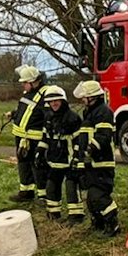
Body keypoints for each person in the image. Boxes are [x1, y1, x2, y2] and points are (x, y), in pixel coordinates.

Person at [72, 80, 121, 236]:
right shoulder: (90, 112)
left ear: (92, 97)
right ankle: (99, 222)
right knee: (91, 199)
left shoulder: (103, 112)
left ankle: (113, 223)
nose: (82, 100)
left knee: (98, 196)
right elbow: (83, 137)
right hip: (90, 163)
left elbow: (103, 136)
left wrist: (90, 149)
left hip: (102, 163)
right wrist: (78, 156)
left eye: (84, 98)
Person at [5, 65, 55, 206]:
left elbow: (48, 117)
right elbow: (26, 110)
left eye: (25, 82)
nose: (23, 85)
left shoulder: (46, 94)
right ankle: (26, 191)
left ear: (34, 82)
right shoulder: (28, 93)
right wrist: (14, 114)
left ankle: (43, 195)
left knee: (38, 165)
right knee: (23, 164)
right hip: (22, 137)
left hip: (35, 138)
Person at [40, 85, 82, 222]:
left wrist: (76, 158)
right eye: (51, 102)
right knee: (51, 187)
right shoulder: (49, 117)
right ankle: (53, 215)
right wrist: (39, 152)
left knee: (71, 188)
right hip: (54, 160)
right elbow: (45, 137)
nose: (53, 104)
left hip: (69, 160)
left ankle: (76, 216)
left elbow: (79, 141)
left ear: (63, 101)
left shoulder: (73, 118)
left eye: (56, 101)